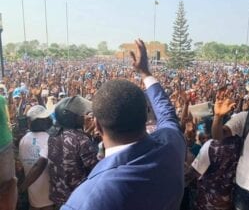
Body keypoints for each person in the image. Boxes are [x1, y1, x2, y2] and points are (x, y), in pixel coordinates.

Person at [61, 39, 185, 210]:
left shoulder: (85, 200)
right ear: (146, 116)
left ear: (97, 125)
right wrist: (146, 74)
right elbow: (167, 114)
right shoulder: (172, 144)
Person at [48, 96, 99, 207]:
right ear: (71, 117)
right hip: (77, 199)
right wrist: (93, 142)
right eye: (81, 115)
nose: (85, 116)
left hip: (58, 196)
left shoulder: (53, 137)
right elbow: (95, 169)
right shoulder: (81, 140)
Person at [19, 105, 54, 210]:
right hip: (48, 199)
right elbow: (41, 164)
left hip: (32, 198)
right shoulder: (50, 139)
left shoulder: (23, 140)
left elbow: (22, 165)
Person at [0, 95, 17, 210]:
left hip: (3, 144)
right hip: (4, 145)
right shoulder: (1, 99)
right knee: (8, 185)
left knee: (8, 185)